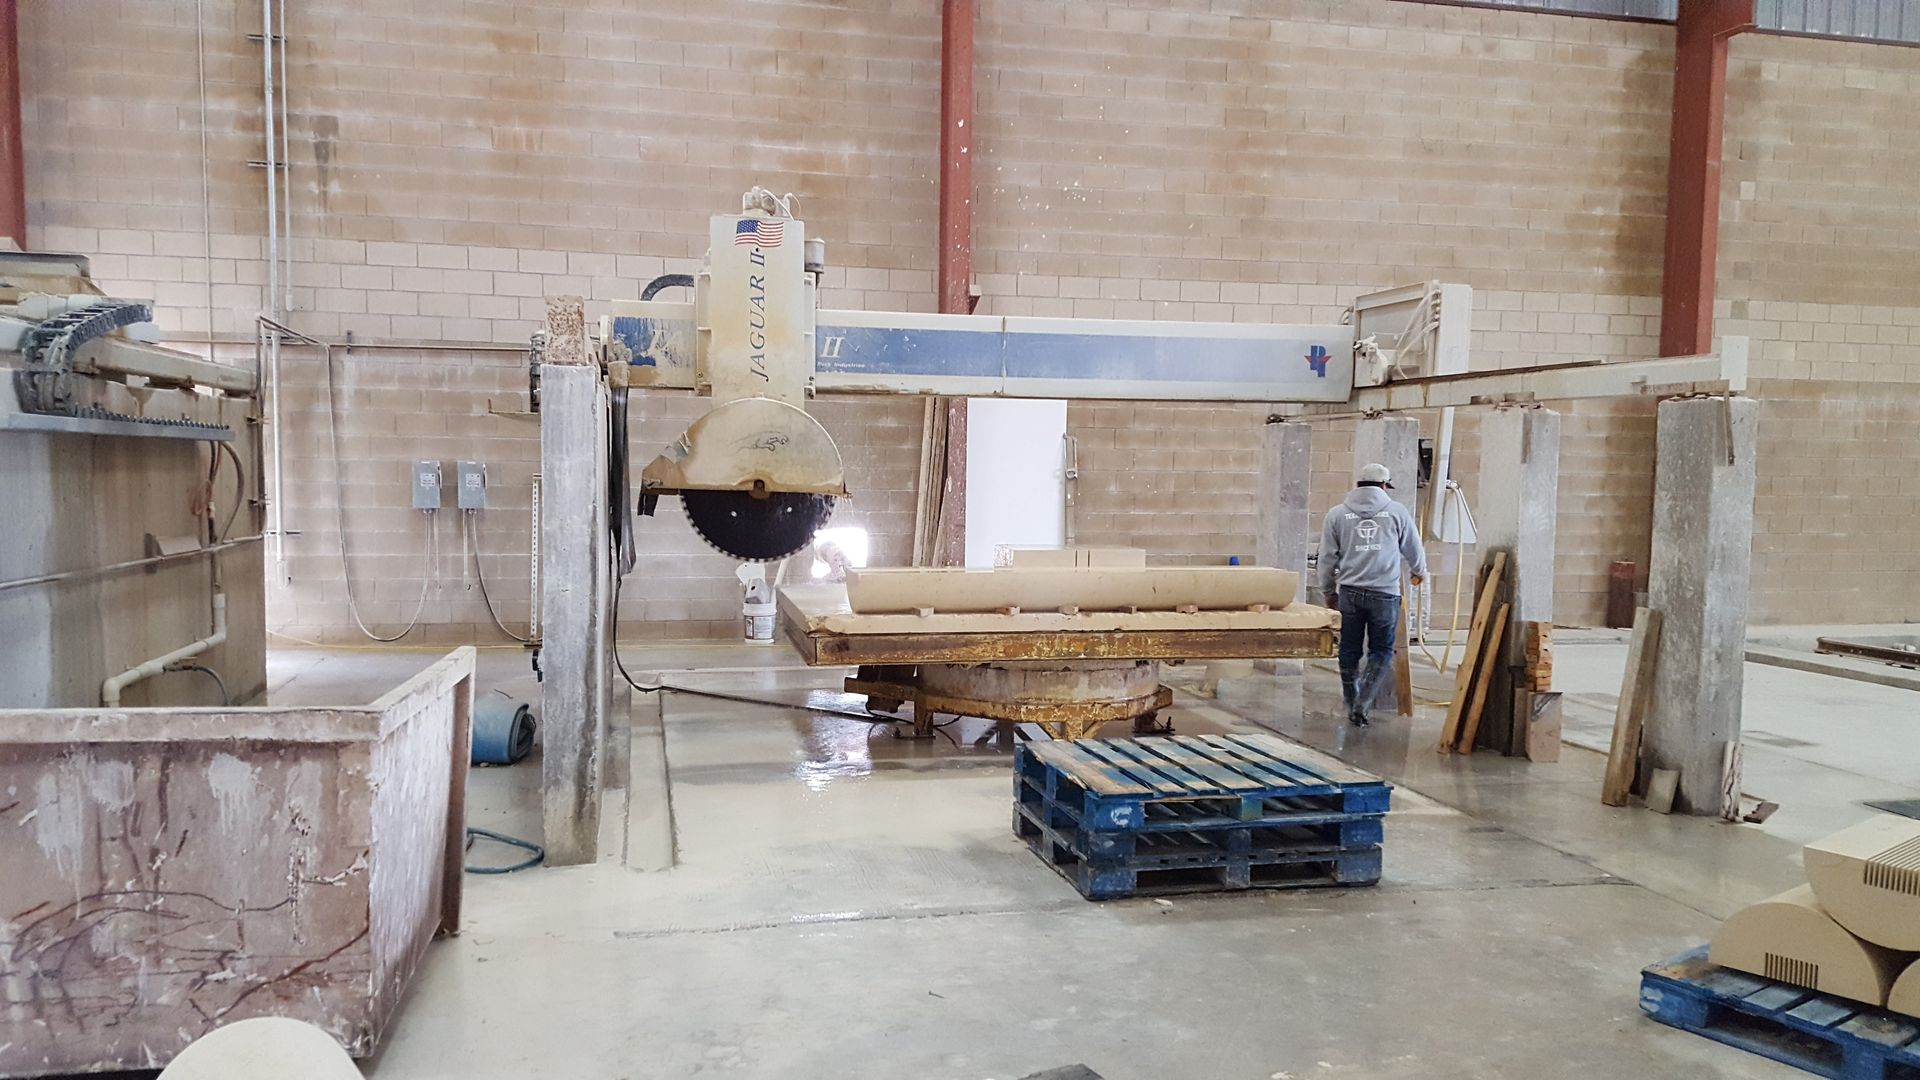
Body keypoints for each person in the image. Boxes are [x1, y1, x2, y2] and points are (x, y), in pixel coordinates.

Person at [1319, 463, 1428, 727]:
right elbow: (1413, 547)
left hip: (1350, 592)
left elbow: (1327, 558)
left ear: (1358, 485)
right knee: (1380, 650)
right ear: (1384, 486)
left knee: (1349, 648)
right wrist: (1419, 571)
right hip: (1385, 593)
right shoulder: (1396, 512)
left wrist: (1327, 591)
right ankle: (1362, 705)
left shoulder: (1336, 515)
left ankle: (1350, 700)